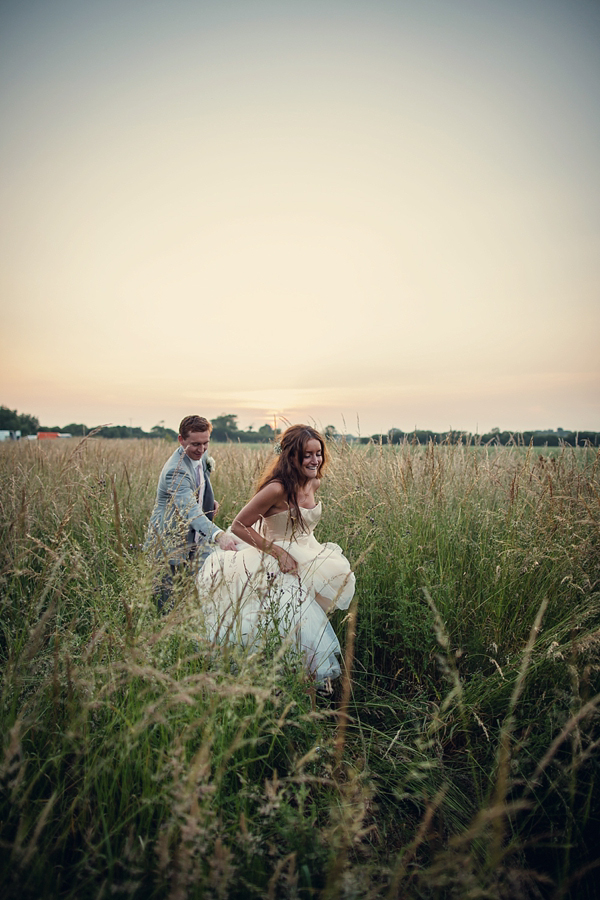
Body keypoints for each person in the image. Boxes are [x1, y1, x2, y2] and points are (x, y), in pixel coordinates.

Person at [197, 425, 355, 686]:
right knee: (292, 625)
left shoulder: (314, 482)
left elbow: (303, 524)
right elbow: (238, 526)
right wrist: (278, 551)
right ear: (292, 456)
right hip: (276, 562)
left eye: (319, 453)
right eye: (307, 455)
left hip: (309, 556)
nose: (315, 460)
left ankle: (306, 691)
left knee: (309, 623)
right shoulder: (277, 489)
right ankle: (276, 686)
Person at [145, 415, 236, 609]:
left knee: (206, 589)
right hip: (169, 542)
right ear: (181, 439)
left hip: (196, 539)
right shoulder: (175, 470)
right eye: (195, 444)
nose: (201, 449)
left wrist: (209, 501)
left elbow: (196, 489)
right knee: (166, 603)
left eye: (206, 443)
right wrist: (219, 535)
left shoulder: (201, 458)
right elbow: (189, 510)